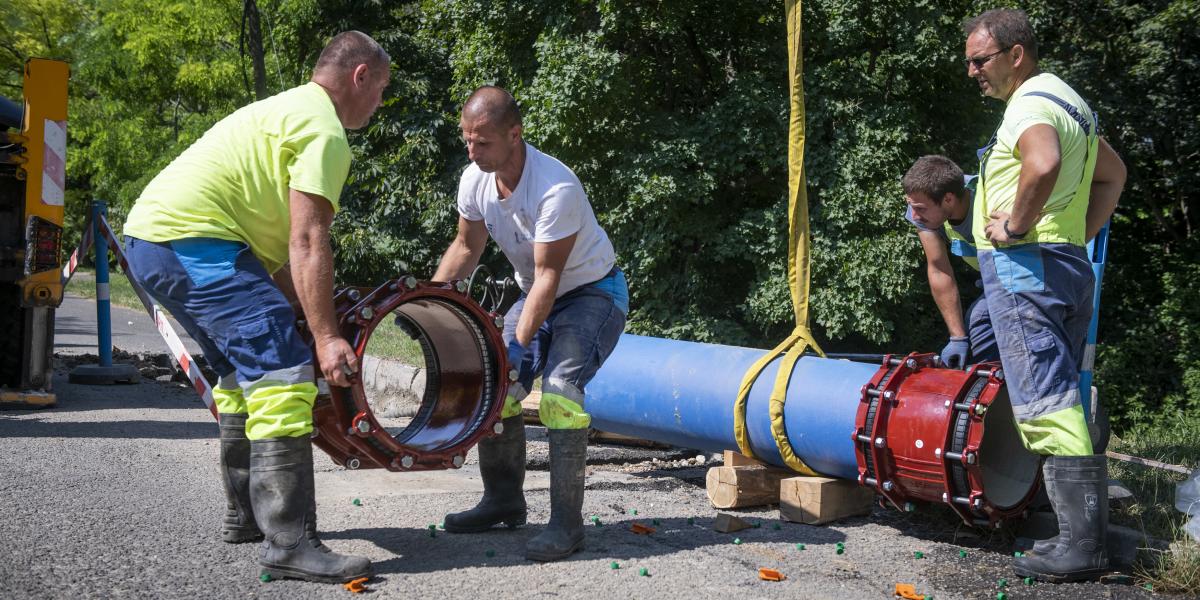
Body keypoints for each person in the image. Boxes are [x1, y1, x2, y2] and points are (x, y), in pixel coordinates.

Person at [121, 31, 390, 584]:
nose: (380, 103)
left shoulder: (285, 108)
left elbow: (282, 268)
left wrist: (302, 314)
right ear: (360, 76)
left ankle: (246, 517)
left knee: (242, 374)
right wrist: (324, 338)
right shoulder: (323, 131)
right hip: (194, 243)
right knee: (284, 371)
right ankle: (289, 543)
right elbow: (309, 242)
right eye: (381, 90)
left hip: (160, 242)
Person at [961, 9, 1125, 582]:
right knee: (1060, 392)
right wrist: (1074, 236)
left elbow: (1044, 163)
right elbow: (1113, 175)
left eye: (980, 60)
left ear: (1016, 54)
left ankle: (1080, 546)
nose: (973, 72)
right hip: (1065, 265)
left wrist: (1017, 227)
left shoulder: (1029, 104)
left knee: (1045, 398)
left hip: (1025, 266)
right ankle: (1079, 537)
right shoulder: (1069, 101)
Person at [433, 85, 627, 562]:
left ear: (515, 134)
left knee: (560, 392)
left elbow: (548, 278)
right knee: (496, 387)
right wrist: (428, 303)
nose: (471, 150)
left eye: (482, 141)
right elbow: (465, 249)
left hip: (592, 294)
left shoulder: (555, 187)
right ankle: (503, 500)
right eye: (467, 139)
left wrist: (517, 346)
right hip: (537, 291)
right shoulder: (474, 179)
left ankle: (566, 523)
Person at [902, 156, 998, 369]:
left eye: (920, 208)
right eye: (911, 206)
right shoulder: (924, 211)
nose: (914, 216)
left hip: (1032, 277)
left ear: (948, 199)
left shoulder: (991, 197)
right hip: (993, 283)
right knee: (974, 333)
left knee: (982, 320)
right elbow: (938, 269)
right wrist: (957, 338)